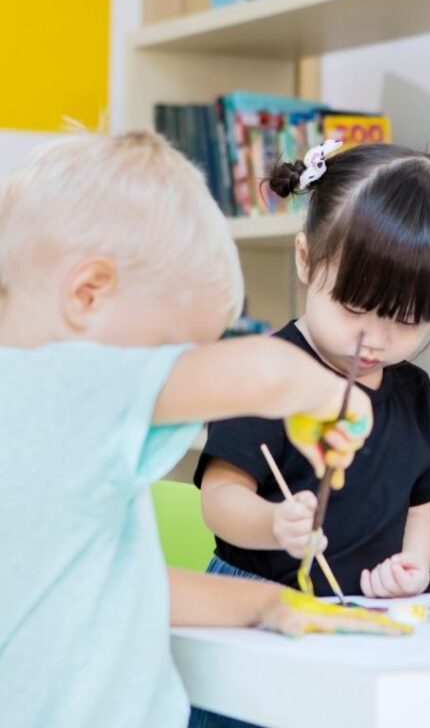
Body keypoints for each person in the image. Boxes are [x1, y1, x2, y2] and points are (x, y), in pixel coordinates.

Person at [0, 131, 375, 728]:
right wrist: (332, 395)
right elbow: (265, 370)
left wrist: (268, 600)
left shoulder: (44, 433)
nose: (182, 374)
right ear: (88, 293)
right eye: (174, 350)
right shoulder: (52, 383)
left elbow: (118, 588)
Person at [195, 142, 430, 599]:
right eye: (354, 308)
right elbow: (219, 499)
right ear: (305, 257)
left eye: (407, 320)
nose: (375, 338)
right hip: (258, 597)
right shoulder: (264, 372)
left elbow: (421, 509)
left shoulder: (413, 391)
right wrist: (273, 525)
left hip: (356, 602)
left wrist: (411, 565)